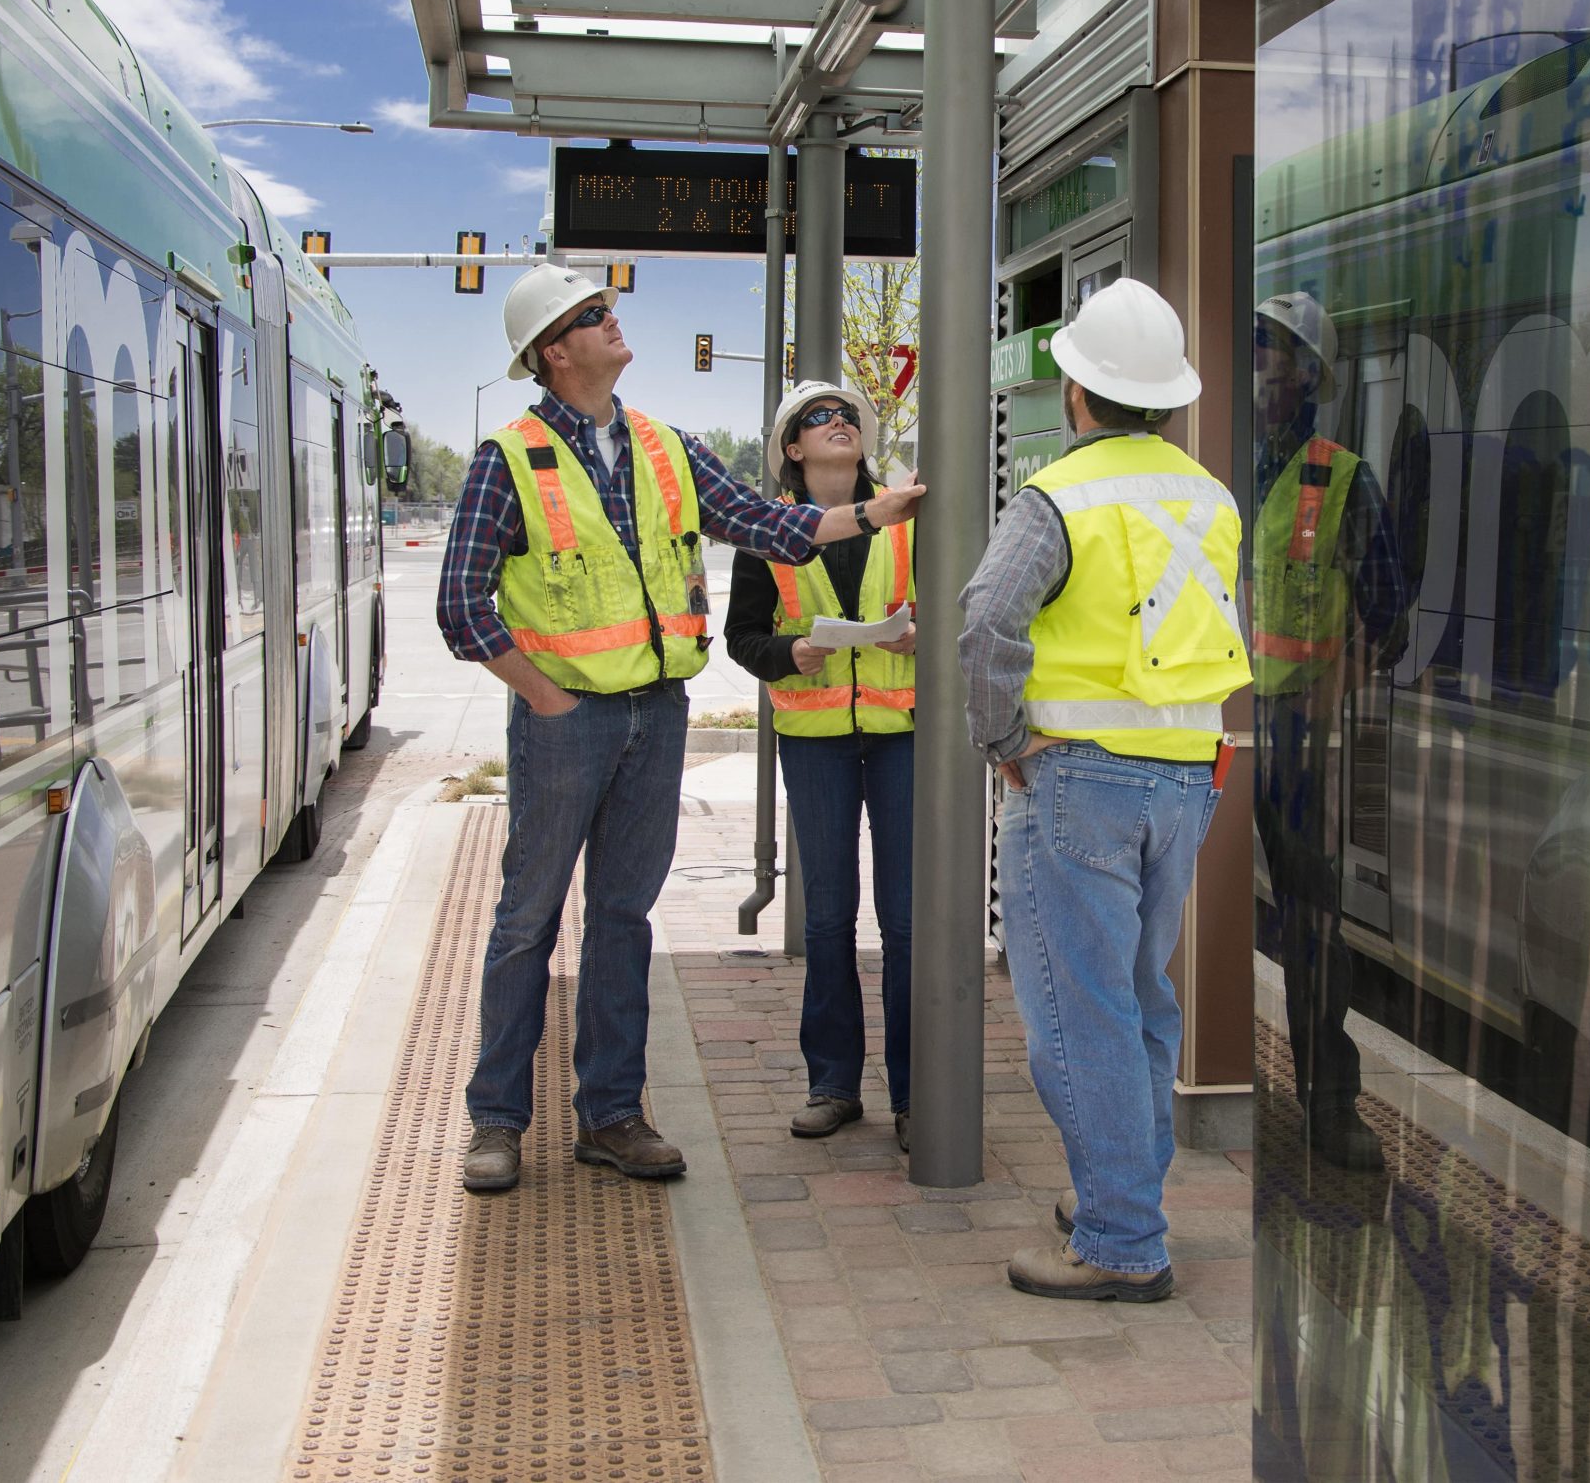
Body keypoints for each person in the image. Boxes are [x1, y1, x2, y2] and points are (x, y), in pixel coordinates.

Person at [440, 266, 924, 1192]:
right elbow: (462, 608)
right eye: (594, 317)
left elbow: (765, 523)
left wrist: (870, 511)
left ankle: (612, 1115)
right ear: (555, 350)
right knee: (527, 920)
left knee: (623, 919)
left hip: (658, 716)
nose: (615, 322)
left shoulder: (667, 447)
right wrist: (544, 699)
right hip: (567, 722)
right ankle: (497, 1120)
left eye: (611, 309)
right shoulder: (508, 459)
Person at [957, 277, 1251, 1302]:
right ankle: (1118, 1191)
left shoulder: (1058, 496)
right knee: (1136, 1001)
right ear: (1165, 395)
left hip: (1077, 777)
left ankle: (1122, 1237)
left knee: (1075, 1019)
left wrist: (1001, 741)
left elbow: (987, 620)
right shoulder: (1209, 495)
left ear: (1076, 390)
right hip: (1185, 779)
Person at [724, 380, 918, 1150]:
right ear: (792, 448)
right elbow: (743, 638)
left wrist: (919, 635)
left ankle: (915, 1092)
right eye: (818, 418)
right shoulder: (765, 531)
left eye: (849, 417)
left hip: (902, 734)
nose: (839, 423)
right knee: (830, 915)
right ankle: (833, 1083)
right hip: (815, 743)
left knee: (906, 920)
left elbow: (958, 610)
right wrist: (792, 652)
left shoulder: (907, 516)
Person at [1249, 293, 1409, 1175]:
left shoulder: (1343, 480)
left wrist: (1334, 683)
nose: (1259, 365)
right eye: (1254, 349)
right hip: (1218, 723)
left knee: (1312, 924)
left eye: (1271, 350)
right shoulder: (1218, 464)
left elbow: (1387, 614)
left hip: (1301, 737)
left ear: (1309, 373)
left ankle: (1328, 1106)